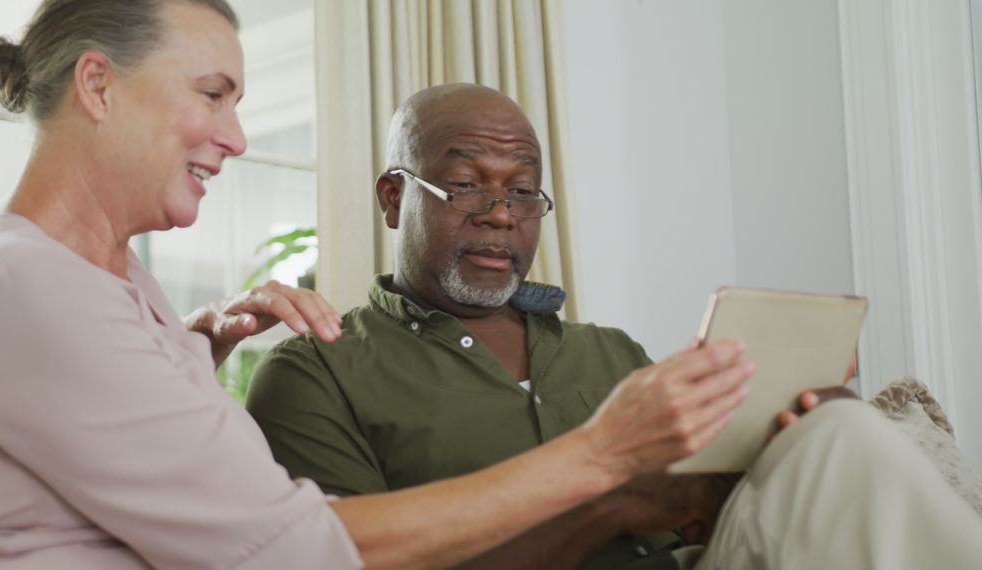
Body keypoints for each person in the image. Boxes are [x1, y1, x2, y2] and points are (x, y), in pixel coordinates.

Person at [0, 2, 755, 568]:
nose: (235, 137)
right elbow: (284, 548)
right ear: (98, 85)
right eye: (212, 94)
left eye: (521, 190)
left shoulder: (107, 283)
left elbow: (94, 450)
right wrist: (601, 459)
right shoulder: (22, 284)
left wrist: (189, 347)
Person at [244, 83, 982, 569]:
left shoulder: (611, 352)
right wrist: (619, 506)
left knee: (839, 435)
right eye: (466, 185)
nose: (501, 214)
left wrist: (791, 434)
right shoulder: (318, 371)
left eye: (525, 193)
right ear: (393, 196)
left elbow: (715, 507)